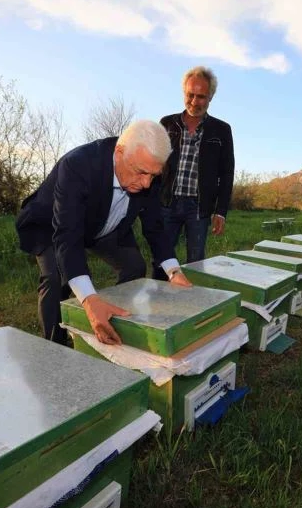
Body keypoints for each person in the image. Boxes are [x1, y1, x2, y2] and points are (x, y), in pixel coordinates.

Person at [15, 120, 192, 346]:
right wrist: (89, 299)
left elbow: (154, 227)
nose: (147, 184)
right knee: (56, 277)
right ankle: (55, 346)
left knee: (134, 266)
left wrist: (174, 272)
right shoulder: (78, 165)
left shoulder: (147, 170)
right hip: (51, 224)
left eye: (154, 175)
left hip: (103, 224)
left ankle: (120, 322)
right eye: (141, 173)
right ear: (119, 152)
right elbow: (68, 236)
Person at [156, 66, 235, 277]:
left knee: (196, 264)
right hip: (166, 203)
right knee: (161, 260)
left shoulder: (222, 130)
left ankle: (192, 306)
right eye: (190, 95)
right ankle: (157, 304)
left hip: (199, 207)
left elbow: (227, 173)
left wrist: (221, 211)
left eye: (201, 97)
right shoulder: (166, 123)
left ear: (210, 98)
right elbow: (154, 163)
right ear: (184, 92)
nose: (194, 101)